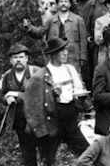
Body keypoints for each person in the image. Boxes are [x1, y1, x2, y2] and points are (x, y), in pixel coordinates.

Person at [25, 38, 90, 166]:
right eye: (61, 51)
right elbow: (33, 108)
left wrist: (83, 102)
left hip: (71, 117)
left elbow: (79, 90)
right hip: (53, 120)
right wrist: (41, 131)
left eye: (66, 50)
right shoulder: (40, 76)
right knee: (49, 159)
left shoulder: (70, 69)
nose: (65, 53)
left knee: (87, 152)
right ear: (53, 54)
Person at [23, 0, 88, 73]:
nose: (63, 4)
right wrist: (29, 27)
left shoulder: (78, 20)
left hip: (73, 56)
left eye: (66, 1)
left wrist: (83, 57)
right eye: (61, 2)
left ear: (70, 4)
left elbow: (83, 40)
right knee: (55, 76)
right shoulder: (51, 20)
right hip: (54, 55)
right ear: (57, 4)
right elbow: (40, 32)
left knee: (73, 76)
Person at [0, 43, 41, 166]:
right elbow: (2, 95)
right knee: (28, 153)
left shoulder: (36, 72)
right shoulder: (7, 76)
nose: (18, 60)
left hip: (38, 118)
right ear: (11, 60)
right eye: (15, 58)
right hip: (20, 121)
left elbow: (41, 95)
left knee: (45, 151)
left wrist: (17, 94)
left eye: (21, 57)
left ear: (26, 58)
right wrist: (7, 99)